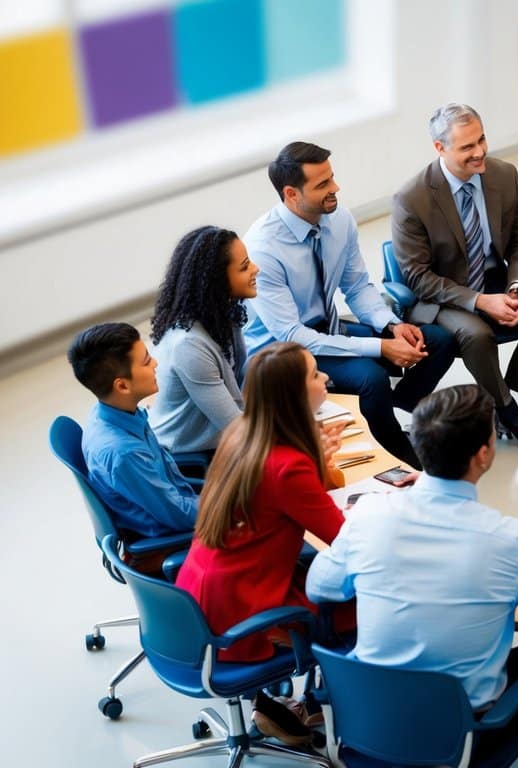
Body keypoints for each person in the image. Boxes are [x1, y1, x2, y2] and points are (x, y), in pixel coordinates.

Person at [306, 385, 518, 768]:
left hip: (369, 726)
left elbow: (320, 586)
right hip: (463, 741)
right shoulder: (511, 541)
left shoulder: (368, 518)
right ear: (484, 454)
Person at [245, 141, 456, 469]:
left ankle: (391, 414)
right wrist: (380, 347)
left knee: (439, 341)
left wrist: (391, 326)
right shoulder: (263, 248)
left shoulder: (338, 220)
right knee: (370, 377)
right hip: (284, 349)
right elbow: (292, 334)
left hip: (328, 329)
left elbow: (357, 287)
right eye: (323, 184)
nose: (336, 188)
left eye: (332, 177)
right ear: (291, 194)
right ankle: (398, 454)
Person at [392, 104, 518, 449]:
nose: (480, 151)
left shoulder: (504, 175)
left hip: (494, 279)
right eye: (467, 147)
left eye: (482, 140)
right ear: (440, 148)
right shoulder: (412, 198)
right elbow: (417, 276)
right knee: (477, 335)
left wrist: (516, 287)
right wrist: (481, 302)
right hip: (443, 294)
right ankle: (508, 411)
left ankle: (501, 390)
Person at [175, 342, 348, 666]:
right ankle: (327, 699)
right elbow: (343, 537)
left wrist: (318, 462)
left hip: (207, 591)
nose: (325, 377)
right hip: (242, 608)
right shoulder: (288, 466)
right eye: (314, 373)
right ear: (294, 394)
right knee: (369, 599)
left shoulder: (242, 432)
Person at [68, 322, 198, 542]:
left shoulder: (110, 411)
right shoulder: (123, 453)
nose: (155, 363)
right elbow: (181, 515)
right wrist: (227, 504)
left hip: (180, 502)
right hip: (176, 534)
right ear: (122, 386)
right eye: (147, 362)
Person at [148, 226, 257, 456]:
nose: (256, 269)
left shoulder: (221, 314)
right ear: (217, 281)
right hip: (191, 456)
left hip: (220, 439)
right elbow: (238, 429)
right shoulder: (189, 345)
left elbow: (240, 385)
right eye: (245, 267)